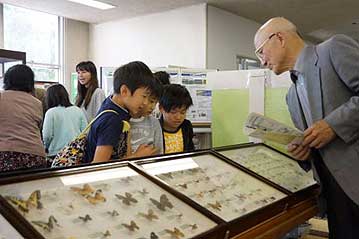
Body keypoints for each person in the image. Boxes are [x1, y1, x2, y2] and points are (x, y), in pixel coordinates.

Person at [254, 17, 359, 238]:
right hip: (332, 196)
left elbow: (330, 129)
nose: (262, 61)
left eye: (261, 51)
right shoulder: (291, 97)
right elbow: (317, 148)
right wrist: (304, 153)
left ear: (279, 38)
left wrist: (333, 125)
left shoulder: (333, 49)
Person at [84, 61, 158, 164]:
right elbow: (98, 166)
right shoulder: (112, 120)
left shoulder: (115, 106)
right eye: (144, 96)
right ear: (124, 91)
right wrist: (137, 156)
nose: (145, 103)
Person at [0, 64, 46, 172]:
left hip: (4, 156)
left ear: (7, 80)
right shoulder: (37, 103)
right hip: (35, 157)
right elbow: (38, 127)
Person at [42, 84, 87, 166]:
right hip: (76, 153)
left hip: (56, 153)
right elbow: (85, 132)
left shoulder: (51, 112)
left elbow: (47, 135)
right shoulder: (78, 110)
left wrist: (46, 147)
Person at [129, 76, 164, 155]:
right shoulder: (124, 120)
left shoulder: (154, 122)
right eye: (151, 101)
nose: (153, 107)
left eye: (156, 102)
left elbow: (159, 151)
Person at [159, 84, 194, 154]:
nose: (178, 117)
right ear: (161, 108)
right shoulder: (155, 128)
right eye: (173, 112)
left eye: (183, 112)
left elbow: (190, 150)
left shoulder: (186, 126)